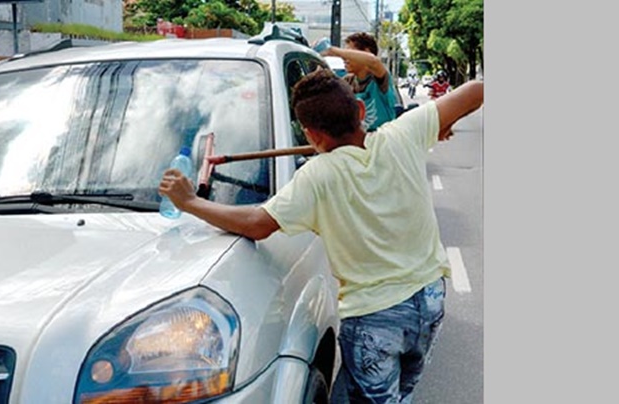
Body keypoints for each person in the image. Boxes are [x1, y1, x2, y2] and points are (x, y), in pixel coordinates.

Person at [158, 68, 484, 403]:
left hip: (376, 316)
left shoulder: (316, 177)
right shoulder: (403, 133)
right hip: (428, 301)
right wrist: (443, 123)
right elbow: (476, 90)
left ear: (311, 135)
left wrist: (190, 202)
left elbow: (257, 222)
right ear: (360, 110)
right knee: (398, 392)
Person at [316, 32, 398, 132]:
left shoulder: (379, 79)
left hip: (381, 141)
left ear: (366, 52)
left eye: (349, 53)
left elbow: (373, 61)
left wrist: (332, 50)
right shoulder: (347, 81)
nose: (344, 58)